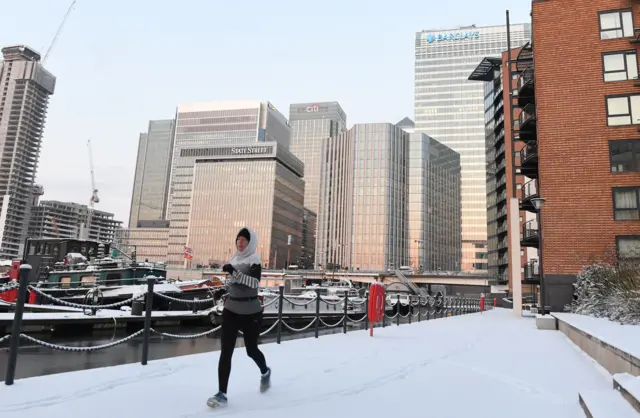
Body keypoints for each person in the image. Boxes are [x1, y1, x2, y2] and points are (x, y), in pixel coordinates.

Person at [207, 227, 271, 408]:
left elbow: (254, 282)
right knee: (226, 351)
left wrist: (234, 272)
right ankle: (222, 393)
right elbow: (231, 282)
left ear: (251, 243)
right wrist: (222, 290)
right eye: (238, 239)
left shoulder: (255, 259)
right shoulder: (234, 258)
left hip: (250, 311)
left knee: (251, 350)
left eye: (244, 240)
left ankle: (265, 372)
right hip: (231, 310)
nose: (240, 243)